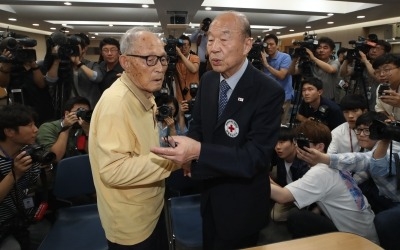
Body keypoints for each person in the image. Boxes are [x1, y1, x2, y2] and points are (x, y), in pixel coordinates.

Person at [151, 11, 284, 249]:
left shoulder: (268, 91)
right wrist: (186, 151)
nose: (213, 48)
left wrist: (198, 152)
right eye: (210, 40)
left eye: (224, 39)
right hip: (208, 194)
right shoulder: (209, 80)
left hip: (242, 204)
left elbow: (253, 158)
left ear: (247, 45)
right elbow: (199, 127)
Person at [88, 27, 179, 249]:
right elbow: (113, 170)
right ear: (125, 62)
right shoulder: (117, 104)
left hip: (150, 206)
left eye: (162, 59)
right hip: (131, 222)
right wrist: (174, 160)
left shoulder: (145, 93)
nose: (159, 68)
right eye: (149, 59)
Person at [270, 120, 379, 244]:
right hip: (366, 231)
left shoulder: (319, 173)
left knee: (297, 218)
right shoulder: (334, 163)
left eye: (302, 142)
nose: (297, 147)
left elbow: (283, 197)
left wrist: (258, 177)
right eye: (296, 141)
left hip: (357, 241)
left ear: (320, 147)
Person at [0, 104, 50, 250]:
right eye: (29, 125)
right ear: (9, 131)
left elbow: (36, 184)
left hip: (26, 218)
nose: (36, 130)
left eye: (35, 124)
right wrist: (15, 174)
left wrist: (46, 170)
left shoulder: (28, 151)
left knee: (50, 235)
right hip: (3, 224)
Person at [45, 33, 103, 110]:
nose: (70, 50)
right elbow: (50, 81)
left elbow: (97, 78)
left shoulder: (91, 65)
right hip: (66, 108)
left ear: (83, 49)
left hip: (88, 107)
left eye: (74, 48)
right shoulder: (61, 64)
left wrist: (78, 63)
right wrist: (56, 60)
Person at [270, 126, 309, 221]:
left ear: (294, 142)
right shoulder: (279, 156)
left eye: (282, 142)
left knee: (276, 216)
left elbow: (299, 195)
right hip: (287, 188)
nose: (278, 147)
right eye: (275, 143)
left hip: (299, 196)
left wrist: (270, 182)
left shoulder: (303, 163)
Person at [36, 96, 91, 163]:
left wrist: (87, 132)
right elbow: (55, 158)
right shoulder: (48, 128)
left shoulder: (85, 128)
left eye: (86, 112)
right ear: (67, 114)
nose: (82, 115)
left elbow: (93, 155)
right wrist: (66, 128)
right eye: (79, 111)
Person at [340, 39, 391, 111]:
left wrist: (365, 60)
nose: (374, 51)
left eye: (378, 49)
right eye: (372, 48)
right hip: (362, 100)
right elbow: (343, 73)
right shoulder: (362, 64)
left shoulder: (387, 64)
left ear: (385, 52)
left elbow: (378, 77)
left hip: (376, 101)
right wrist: (347, 59)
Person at [289, 36, 340, 101]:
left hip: (328, 100)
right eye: (319, 48)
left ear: (331, 51)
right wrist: (294, 59)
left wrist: (313, 58)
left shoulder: (334, 62)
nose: (321, 50)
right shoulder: (309, 63)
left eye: (325, 48)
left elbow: (331, 69)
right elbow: (292, 72)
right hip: (310, 100)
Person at [261, 34, 293, 124]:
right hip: (268, 97)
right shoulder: (264, 59)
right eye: (267, 45)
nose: (269, 47)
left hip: (283, 97)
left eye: (272, 44)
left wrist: (266, 65)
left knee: (280, 124)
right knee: (269, 123)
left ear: (277, 45)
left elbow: (282, 75)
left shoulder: (285, 57)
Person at [372, 53, 400, 120]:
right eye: (377, 71)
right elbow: (379, 108)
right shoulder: (381, 87)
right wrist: (387, 117)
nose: (381, 74)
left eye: (387, 70)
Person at [175, 35, 200, 103]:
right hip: (180, 95)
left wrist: (180, 54)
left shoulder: (195, 58)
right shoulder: (175, 60)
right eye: (181, 45)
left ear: (189, 46)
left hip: (193, 94)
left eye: (185, 45)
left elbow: (194, 69)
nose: (183, 48)